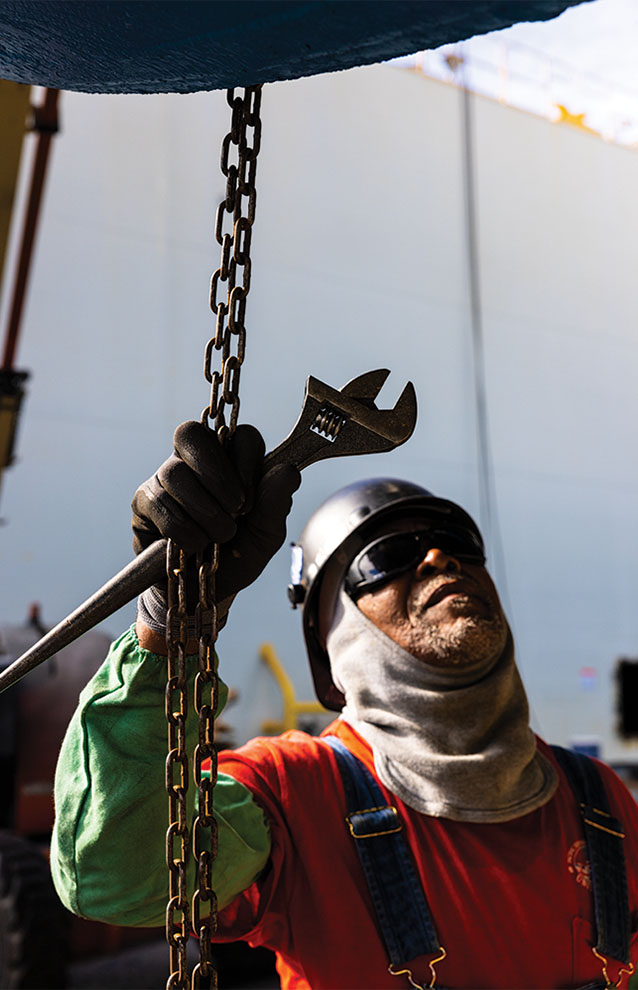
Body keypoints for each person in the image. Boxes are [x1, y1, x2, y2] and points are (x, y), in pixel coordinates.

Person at [51, 421, 638, 990]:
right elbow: (113, 873)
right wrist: (170, 622)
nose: (439, 559)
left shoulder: (599, 796)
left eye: (458, 545)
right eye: (391, 555)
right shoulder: (295, 793)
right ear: (334, 628)